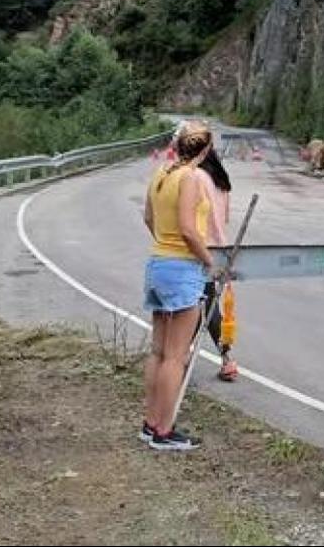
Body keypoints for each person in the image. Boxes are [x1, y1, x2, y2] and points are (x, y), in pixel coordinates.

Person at [139, 120, 214, 451]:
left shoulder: (162, 173)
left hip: (158, 262)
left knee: (158, 350)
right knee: (176, 355)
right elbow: (188, 227)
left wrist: (163, 244)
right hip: (183, 266)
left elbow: (148, 217)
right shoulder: (193, 178)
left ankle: (150, 422)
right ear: (205, 149)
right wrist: (207, 259)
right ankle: (165, 431)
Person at [197, 145, 239, 382]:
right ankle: (225, 359)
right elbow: (225, 218)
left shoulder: (196, 179)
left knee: (202, 307)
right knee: (208, 304)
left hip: (200, 249)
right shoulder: (221, 182)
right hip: (219, 248)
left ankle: (226, 359)